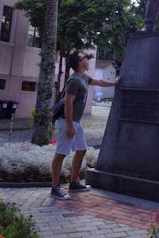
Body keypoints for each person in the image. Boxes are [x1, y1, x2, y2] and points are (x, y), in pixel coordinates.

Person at [51, 51, 120, 200]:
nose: (86, 59)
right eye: (83, 57)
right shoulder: (74, 80)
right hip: (66, 121)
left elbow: (99, 82)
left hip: (76, 122)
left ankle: (74, 183)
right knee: (61, 153)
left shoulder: (83, 78)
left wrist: (114, 83)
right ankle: (55, 188)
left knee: (81, 150)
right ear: (79, 62)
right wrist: (69, 126)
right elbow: (68, 102)